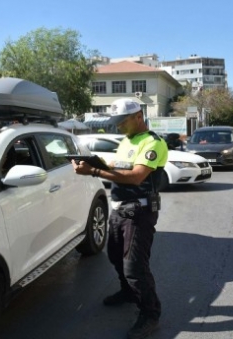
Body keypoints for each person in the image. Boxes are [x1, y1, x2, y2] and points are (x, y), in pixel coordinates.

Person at [72, 98, 168, 339]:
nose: (118, 127)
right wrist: (95, 163)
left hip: (139, 213)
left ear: (138, 117)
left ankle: (150, 313)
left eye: (122, 122)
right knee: (115, 256)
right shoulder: (127, 140)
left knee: (134, 267)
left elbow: (136, 177)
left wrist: (93, 171)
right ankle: (128, 292)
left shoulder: (152, 143)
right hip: (119, 210)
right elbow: (117, 166)